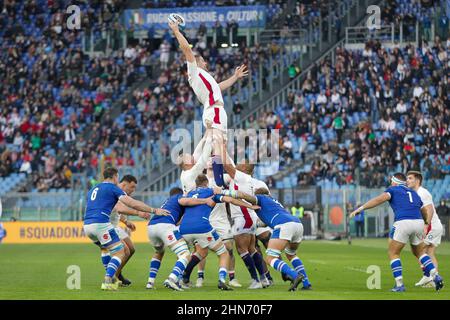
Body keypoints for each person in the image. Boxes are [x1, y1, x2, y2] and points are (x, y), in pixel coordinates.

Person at [350, 173, 444, 292]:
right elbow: (424, 210)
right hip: (418, 222)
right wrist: (425, 222)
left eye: (391, 181)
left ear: (395, 182)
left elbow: (379, 199)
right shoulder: (414, 193)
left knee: (393, 253)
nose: (390, 183)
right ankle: (435, 275)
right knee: (420, 252)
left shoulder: (393, 190)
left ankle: (399, 285)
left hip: (403, 222)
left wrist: (361, 208)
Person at [83, 167, 169, 291]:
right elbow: (131, 203)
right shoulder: (113, 188)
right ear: (115, 176)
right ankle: (109, 279)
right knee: (121, 251)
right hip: (101, 224)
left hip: (87, 225)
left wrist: (125, 221)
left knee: (109, 248)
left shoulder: (93, 189)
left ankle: (114, 276)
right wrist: (154, 210)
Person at [179, 174, 260, 291]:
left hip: (186, 227)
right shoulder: (212, 191)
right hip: (204, 225)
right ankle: (222, 280)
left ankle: (182, 277)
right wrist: (250, 206)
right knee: (224, 252)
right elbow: (231, 199)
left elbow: (181, 205)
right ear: (207, 183)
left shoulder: (189, 194)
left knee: (199, 252)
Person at [234, 187, 309, 291]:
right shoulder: (275, 202)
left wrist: (227, 192)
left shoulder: (261, 198)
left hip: (284, 225)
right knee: (291, 254)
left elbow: (244, 196)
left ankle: (295, 275)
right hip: (297, 224)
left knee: (270, 258)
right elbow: (265, 222)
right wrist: (256, 224)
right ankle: (307, 283)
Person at [146, 187, 214, 291]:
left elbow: (177, 222)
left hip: (151, 227)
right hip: (165, 226)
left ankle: (150, 283)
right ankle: (172, 279)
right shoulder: (178, 197)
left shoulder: (167, 202)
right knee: (185, 254)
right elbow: (185, 201)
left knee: (159, 252)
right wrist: (205, 200)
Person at [194, 162, 242, 288]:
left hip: (221, 221)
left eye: (213, 160)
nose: (211, 161)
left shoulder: (222, 178)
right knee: (201, 250)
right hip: (206, 220)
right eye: (209, 160)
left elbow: (235, 176)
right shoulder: (201, 179)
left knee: (229, 249)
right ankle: (200, 277)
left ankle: (231, 277)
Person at [100, 175, 141, 287]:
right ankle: (113, 276)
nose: (133, 190)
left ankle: (117, 274)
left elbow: (117, 211)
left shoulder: (121, 194)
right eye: (132, 187)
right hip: (107, 226)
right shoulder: (115, 191)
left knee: (131, 249)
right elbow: (119, 208)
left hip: (115, 225)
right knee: (125, 251)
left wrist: (126, 221)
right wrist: (139, 212)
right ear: (124, 184)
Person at [406, 171, 444, 288]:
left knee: (420, 251)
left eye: (410, 178)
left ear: (417, 181)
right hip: (432, 226)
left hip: (432, 226)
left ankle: (432, 277)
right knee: (428, 252)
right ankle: (430, 277)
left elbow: (430, 210)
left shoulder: (423, 193)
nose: (407, 180)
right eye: (407, 178)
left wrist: (426, 225)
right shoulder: (414, 193)